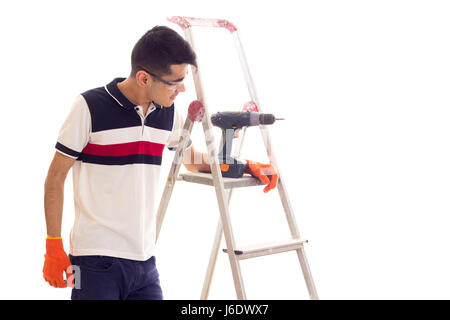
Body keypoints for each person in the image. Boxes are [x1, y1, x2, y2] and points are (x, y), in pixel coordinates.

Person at [43, 25, 278, 300]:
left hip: (144, 261)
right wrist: (53, 246)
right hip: (96, 261)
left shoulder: (168, 114)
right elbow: (55, 177)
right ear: (144, 78)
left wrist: (245, 165)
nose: (182, 88)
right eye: (174, 81)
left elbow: (191, 161)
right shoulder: (89, 107)